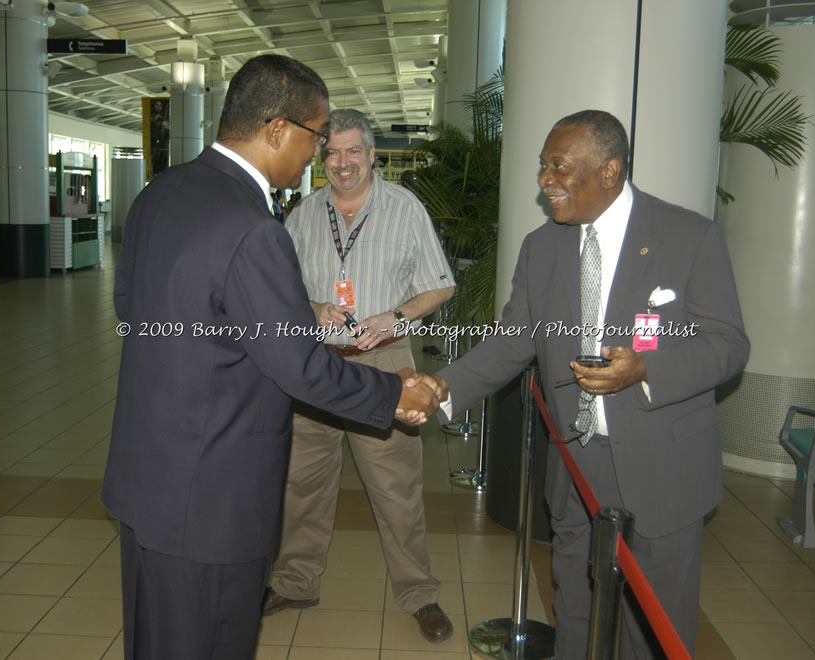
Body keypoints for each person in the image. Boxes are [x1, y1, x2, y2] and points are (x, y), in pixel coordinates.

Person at [102, 55, 442, 660]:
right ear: (278, 130)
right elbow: (298, 365)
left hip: (150, 474)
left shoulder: (161, 193)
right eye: (316, 137)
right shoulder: (255, 224)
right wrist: (396, 394)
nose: (319, 155)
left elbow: (132, 308)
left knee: (155, 638)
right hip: (211, 494)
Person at [432, 110, 749, 659]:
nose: (544, 182)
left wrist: (646, 370)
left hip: (663, 464)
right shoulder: (542, 247)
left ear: (608, 171)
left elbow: (727, 343)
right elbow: (513, 341)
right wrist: (441, 389)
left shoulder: (688, 236)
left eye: (559, 168)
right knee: (575, 603)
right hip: (577, 466)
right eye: (542, 167)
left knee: (653, 620)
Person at [265, 109, 457, 641]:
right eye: (332, 152)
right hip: (315, 365)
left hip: (386, 365)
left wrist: (396, 316)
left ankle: (420, 594)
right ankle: (297, 580)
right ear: (322, 158)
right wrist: (313, 307)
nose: (343, 163)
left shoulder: (404, 209)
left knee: (396, 488)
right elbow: (277, 294)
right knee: (301, 482)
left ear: (373, 156)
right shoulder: (302, 216)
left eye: (354, 152)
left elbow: (441, 285)